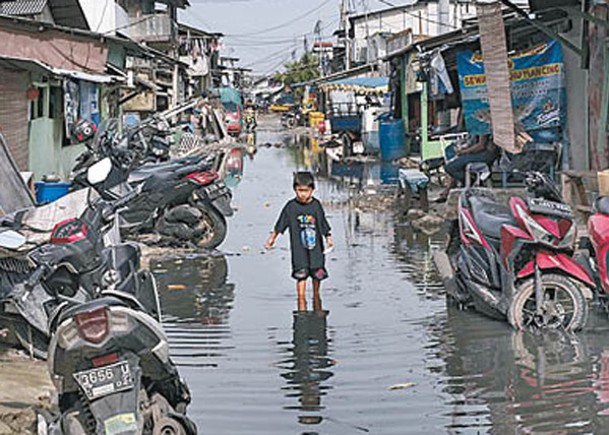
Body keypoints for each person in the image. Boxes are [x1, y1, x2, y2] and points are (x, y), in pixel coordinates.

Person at [265, 172, 334, 311]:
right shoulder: (291, 207)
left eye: (306, 191)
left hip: (316, 250)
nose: (302, 194)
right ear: (295, 189)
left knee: (317, 274)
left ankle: (316, 299)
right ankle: (301, 303)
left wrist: (328, 238)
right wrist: (272, 238)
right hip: (299, 250)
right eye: (299, 191)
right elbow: (281, 223)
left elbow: (322, 223)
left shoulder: (316, 206)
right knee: (301, 275)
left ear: (312, 190)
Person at [437, 133, 499, 201]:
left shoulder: (482, 126)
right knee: (452, 162)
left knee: (450, 167)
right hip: (481, 153)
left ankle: (468, 181)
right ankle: (454, 186)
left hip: (486, 154)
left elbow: (481, 146)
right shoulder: (477, 127)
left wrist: (464, 151)